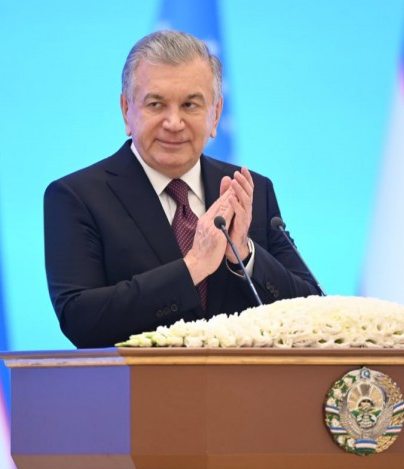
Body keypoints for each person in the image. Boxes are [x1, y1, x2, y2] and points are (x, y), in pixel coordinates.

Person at [44, 30, 320, 348]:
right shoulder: (77, 197)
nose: (174, 122)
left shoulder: (250, 190)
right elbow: (80, 320)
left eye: (190, 105)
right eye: (156, 104)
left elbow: (313, 312)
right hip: (137, 382)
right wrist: (193, 267)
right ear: (126, 110)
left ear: (215, 115)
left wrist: (244, 255)